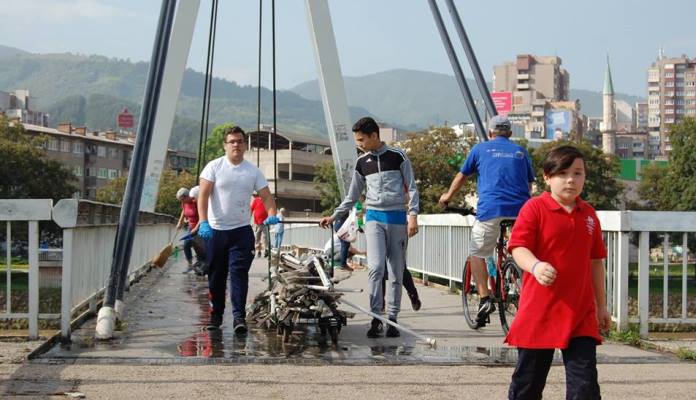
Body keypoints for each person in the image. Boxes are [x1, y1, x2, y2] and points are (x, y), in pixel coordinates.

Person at [506, 145, 610, 399]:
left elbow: (596, 261)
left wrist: (601, 306)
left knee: (584, 387)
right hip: (540, 311)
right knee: (527, 385)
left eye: (578, 173)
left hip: (580, 313)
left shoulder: (589, 215)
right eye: (563, 173)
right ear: (547, 177)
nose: (571, 180)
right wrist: (536, 265)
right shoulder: (534, 209)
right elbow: (518, 248)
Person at [320, 116, 419, 338]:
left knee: (395, 270)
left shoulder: (398, 157)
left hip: (397, 219)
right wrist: (334, 215)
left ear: (375, 136)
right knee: (375, 268)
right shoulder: (362, 163)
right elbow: (352, 195)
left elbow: (412, 188)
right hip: (374, 218)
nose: (359, 144)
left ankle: (392, 319)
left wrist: (413, 215)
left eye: (362, 140)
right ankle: (377, 317)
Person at [438, 115, 535, 328]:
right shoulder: (521, 151)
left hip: (491, 209)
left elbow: (462, 176)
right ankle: (518, 279)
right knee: (519, 249)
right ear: (510, 133)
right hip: (522, 211)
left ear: (490, 133)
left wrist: (447, 197)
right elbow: (529, 185)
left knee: (478, 252)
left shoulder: (480, 149)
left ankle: (484, 299)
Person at [197, 125, 279, 334]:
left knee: (238, 274)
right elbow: (203, 196)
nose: (236, 145)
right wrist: (203, 221)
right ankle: (216, 316)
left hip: (241, 231)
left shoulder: (252, 171)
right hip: (216, 231)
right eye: (232, 141)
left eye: (240, 141)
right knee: (216, 275)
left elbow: (267, 197)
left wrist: (272, 215)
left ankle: (238, 317)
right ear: (225, 145)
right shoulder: (213, 167)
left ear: (245, 145)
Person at [175, 187, 201, 274]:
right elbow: (184, 211)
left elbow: (203, 216)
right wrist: (180, 221)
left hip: (199, 227)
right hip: (191, 227)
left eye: (182, 200)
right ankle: (190, 264)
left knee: (196, 246)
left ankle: (199, 265)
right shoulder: (184, 203)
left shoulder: (196, 201)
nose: (182, 202)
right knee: (186, 245)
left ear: (187, 196)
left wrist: (196, 228)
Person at [250, 192, 269, 257]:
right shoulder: (256, 200)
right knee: (257, 237)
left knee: (265, 237)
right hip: (257, 222)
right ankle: (258, 251)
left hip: (265, 222)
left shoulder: (266, 200)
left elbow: (269, 209)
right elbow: (251, 209)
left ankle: (266, 250)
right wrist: (249, 219)